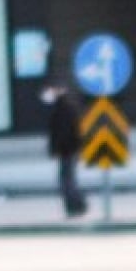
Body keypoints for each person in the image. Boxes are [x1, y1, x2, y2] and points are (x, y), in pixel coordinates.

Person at [42, 83, 88, 218]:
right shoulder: (65, 108)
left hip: (67, 150)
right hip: (70, 150)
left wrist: (56, 149)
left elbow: (61, 133)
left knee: (66, 181)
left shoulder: (61, 110)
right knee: (68, 180)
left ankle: (75, 207)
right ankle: (77, 206)